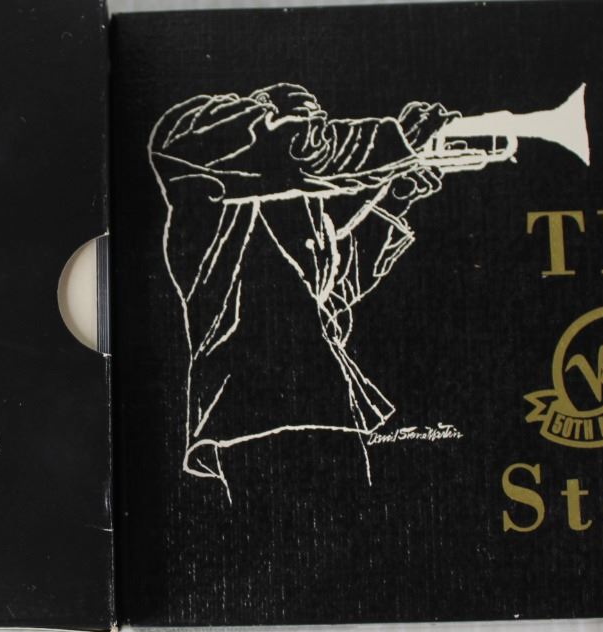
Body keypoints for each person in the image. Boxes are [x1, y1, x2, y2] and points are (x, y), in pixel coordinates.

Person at [148, 82, 456, 489]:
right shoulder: (200, 152)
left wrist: (394, 197)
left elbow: (332, 301)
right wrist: (394, 141)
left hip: (328, 406)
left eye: (320, 124)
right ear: (265, 114)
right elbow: (292, 150)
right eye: (308, 124)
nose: (319, 134)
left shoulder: (299, 213)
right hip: (253, 410)